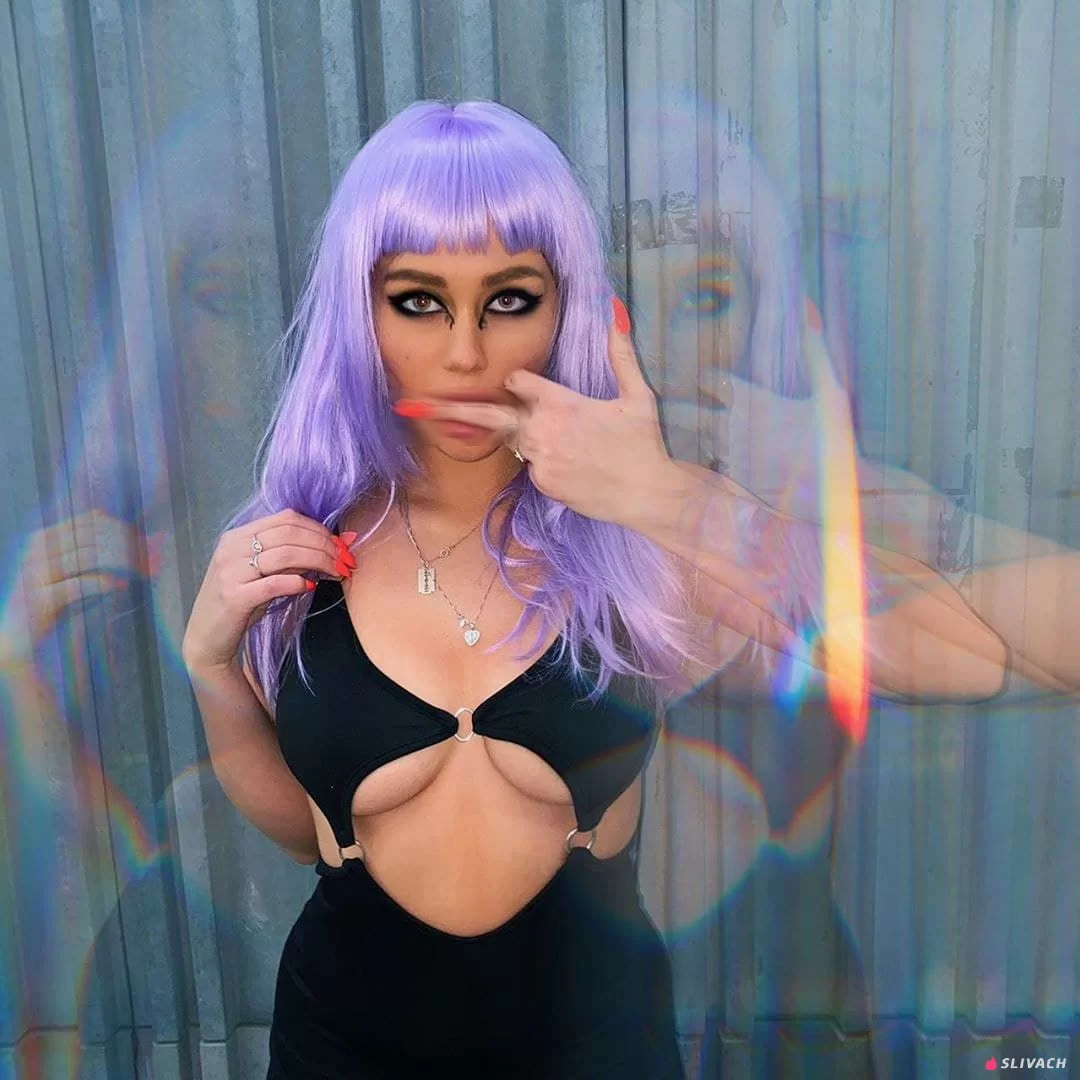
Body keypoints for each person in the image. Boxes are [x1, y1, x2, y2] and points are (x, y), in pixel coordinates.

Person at [179, 99, 1072, 1078]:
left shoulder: (640, 545)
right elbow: (311, 831)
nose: (466, 352)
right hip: (340, 1046)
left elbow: (980, 652)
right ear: (361, 312)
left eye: (510, 299)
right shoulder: (303, 543)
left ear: (568, 308)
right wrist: (213, 669)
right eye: (419, 301)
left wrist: (670, 499)